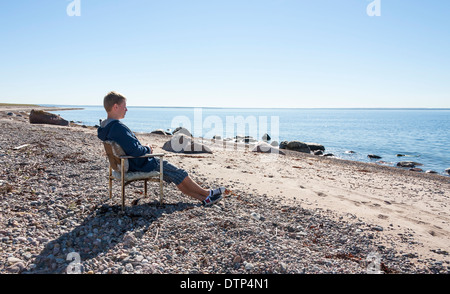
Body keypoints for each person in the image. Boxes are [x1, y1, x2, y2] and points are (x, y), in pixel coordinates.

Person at [97, 91, 224, 206]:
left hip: (127, 163)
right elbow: (135, 151)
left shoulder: (105, 127)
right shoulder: (118, 127)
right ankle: (207, 194)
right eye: (124, 106)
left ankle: (204, 198)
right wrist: (147, 149)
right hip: (141, 163)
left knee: (175, 176)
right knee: (179, 173)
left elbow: (128, 147)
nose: (126, 109)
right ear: (115, 107)